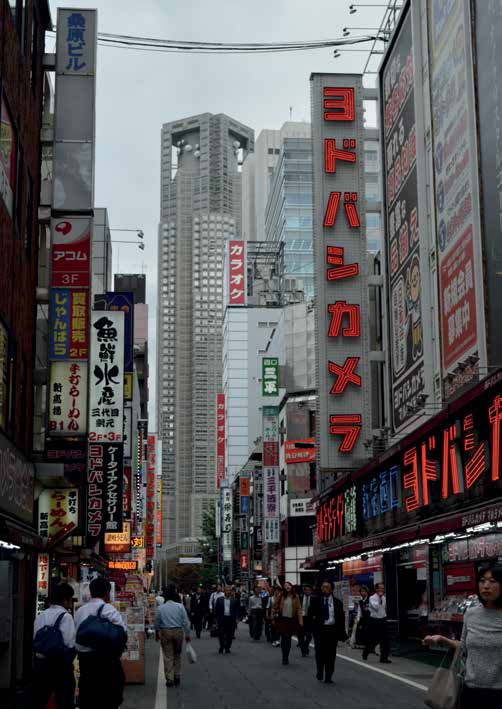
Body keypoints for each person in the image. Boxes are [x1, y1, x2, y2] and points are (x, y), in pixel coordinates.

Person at [424, 562, 502, 709]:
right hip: (470, 690)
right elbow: (464, 647)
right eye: (482, 581)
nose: (486, 586)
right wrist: (443, 640)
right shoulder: (471, 614)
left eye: (492, 581)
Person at [74, 577, 127, 709]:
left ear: (91, 592)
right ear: (107, 593)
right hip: (107, 663)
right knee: (109, 699)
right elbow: (122, 633)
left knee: (88, 698)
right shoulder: (108, 609)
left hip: (85, 663)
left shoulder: (80, 611)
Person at [32, 582, 76, 709]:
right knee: (64, 701)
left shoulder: (41, 615)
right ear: (65, 600)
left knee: (41, 700)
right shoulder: (66, 617)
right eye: (70, 599)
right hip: (60, 668)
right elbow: (70, 643)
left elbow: (36, 639)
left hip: (41, 667)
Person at [309, 580, 347, 684]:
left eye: (326, 587)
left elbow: (341, 619)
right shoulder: (316, 601)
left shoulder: (337, 602)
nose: (324, 589)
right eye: (323, 587)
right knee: (320, 653)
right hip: (320, 630)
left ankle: (329, 675)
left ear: (331, 589)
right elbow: (310, 614)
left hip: (332, 630)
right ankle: (320, 670)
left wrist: (342, 633)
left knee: (331, 654)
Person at [155, 584, 192, 687]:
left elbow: (157, 622)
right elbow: (185, 622)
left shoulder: (161, 608)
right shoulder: (180, 607)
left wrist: (157, 633)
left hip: (165, 632)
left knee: (168, 655)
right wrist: (187, 634)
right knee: (177, 654)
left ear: (164, 597)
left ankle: (169, 678)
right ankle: (177, 675)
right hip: (178, 632)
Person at [363, 583, 391, 663]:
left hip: (382, 620)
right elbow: (376, 608)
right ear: (376, 589)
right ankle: (367, 650)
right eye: (380, 588)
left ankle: (384, 658)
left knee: (386, 640)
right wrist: (379, 598)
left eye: (383, 588)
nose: (382, 590)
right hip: (374, 621)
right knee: (374, 639)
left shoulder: (384, 598)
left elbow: (383, 609)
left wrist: (385, 617)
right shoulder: (372, 598)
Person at [277, 582, 303, 665]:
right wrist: (272, 616)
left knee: (288, 639)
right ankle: (284, 656)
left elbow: (299, 609)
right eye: (285, 586)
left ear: (291, 587)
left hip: (291, 620)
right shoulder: (281, 596)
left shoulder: (296, 597)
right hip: (282, 620)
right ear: (284, 588)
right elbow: (274, 606)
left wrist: (300, 621)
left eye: (289, 586)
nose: (287, 587)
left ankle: (286, 657)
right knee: (284, 638)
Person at [214, 586, 239, 654]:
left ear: (231, 592)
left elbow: (237, 610)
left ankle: (227, 647)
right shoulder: (219, 599)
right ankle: (222, 646)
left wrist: (237, 618)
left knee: (229, 635)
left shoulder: (234, 600)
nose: (228, 592)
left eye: (229, 590)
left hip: (231, 619)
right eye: (226, 590)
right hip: (222, 619)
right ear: (224, 591)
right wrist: (216, 620)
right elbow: (216, 610)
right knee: (221, 634)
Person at [298, 583, 314, 657]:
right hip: (302, 618)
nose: (307, 591)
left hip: (310, 619)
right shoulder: (300, 598)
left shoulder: (314, 598)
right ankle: (303, 650)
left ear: (311, 591)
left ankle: (305, 645)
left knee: (309, 636)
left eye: (309, 590)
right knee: (301, 635)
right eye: (306, 590)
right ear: (304, 591)